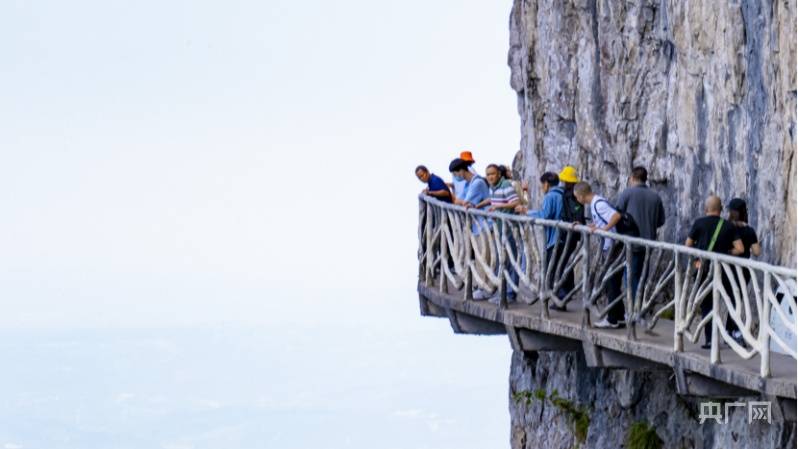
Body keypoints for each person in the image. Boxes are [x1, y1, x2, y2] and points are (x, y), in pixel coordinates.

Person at [685, 195, 745, 349]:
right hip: (723, 271)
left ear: (706, 209)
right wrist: (725, 253)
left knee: (707, 305)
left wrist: (696, 261)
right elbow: (740, 249)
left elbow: (688, 245)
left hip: (703, 271)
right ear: (721, 209)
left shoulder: (699, 223)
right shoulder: (728, 226)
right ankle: (731, 333)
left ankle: (710, 340)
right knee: (726, 300)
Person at [573, 182, 626, 328]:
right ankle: (620, 317)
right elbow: (604, 220)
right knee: (612, 281)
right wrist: (596, 227)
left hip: (613, 247)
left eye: (577, 197)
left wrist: (604, 230)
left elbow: (616, 216)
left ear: (582, 195)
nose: (577, 199)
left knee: (610, 281)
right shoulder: (595, 204)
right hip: (611, 246)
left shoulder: (597, 204)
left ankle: (612, 319)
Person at [615, 167, 666, 300]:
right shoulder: (655, 197)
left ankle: (633, 310)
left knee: (631, 276)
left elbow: (617, 215)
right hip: (648, 242)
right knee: (643, 275)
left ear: (632, 177)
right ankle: (640, 307)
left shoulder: (627, 193)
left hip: (631, 241)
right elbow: (661, 221)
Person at [450, 158, 492, 299]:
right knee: (481, 258)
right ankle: (483, 287)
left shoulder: (477, 183)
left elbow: (465, 203)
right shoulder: (471, 183)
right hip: (478, 226)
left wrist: (458, 201)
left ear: (461, 171)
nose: (455, 177)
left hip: (484, 226)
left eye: (455, 173)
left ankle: (486, 289)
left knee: (483, 258)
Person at [483, 164, 520, 301]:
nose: (490, 177)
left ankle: (510, 294)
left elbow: (515, 202)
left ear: (499, 174)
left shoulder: (505, 185)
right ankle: (503, 292)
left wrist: (498, 206)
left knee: (510, 259)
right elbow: (492, 200)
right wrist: (478, 206)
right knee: (502, 259)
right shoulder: (493, 187)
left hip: (508, 228)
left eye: (492, 174)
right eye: (488, 175)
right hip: (499, 228)